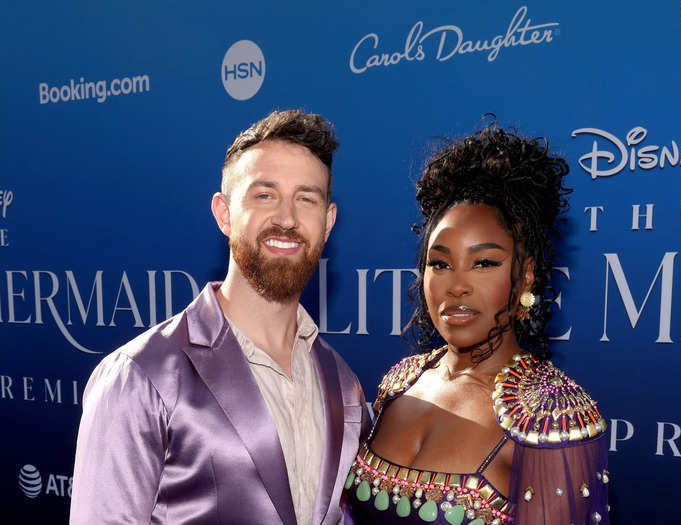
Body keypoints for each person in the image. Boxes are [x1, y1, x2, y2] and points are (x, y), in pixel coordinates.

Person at [70, 109, 370, 525]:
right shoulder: (142, 376)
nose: (286, 218)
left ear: (328, 222)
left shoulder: (343, 384)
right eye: (264, 195)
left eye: (306, 199)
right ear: (224, 213)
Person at [344, 122, 609, 524]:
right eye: (441, 263)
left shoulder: (554, 416)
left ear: (525, 276)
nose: (457, 286)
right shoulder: (399, 384)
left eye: (484, 263)